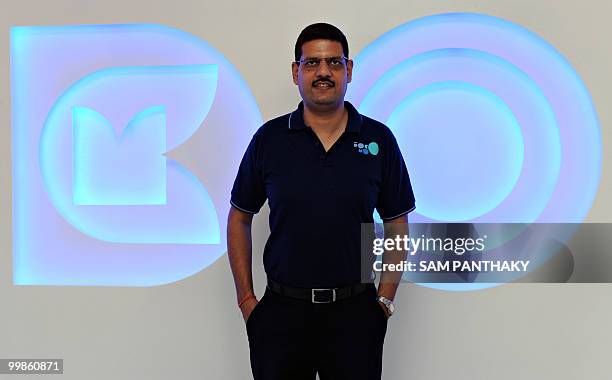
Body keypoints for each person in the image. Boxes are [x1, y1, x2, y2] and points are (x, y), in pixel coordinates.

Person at [227, 22, 416, 380]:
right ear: (296, 72)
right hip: (282, 313)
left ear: (349, 70)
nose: (323, 72)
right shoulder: (269, 140)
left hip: (356, 314)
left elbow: (397, 223)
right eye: (312, 63)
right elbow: (239, 216)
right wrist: (248, 303)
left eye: (334, 62)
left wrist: (384, 301)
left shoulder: (379, 140)